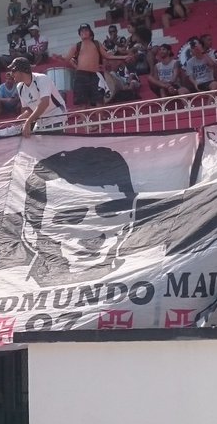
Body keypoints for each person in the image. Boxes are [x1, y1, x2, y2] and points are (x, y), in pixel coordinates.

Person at [20, 147, 137, 286]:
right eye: (71, 217)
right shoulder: (3, 284)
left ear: (130, 217)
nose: (93, 236)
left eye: (109, 211)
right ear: (30, 229)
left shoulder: (156, 269)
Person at [67, 23, 124, 110]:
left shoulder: (97, 44)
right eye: (82, 31)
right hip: (82, 74)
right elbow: (69, 59)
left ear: (91, 34)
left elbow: (107, 57)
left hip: (96, 73)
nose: (85, 33)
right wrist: (76, 67)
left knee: (99, 99)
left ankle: (99, 117)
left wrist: (123, 57)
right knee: (82, 101)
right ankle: (86, 118)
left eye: (86, 31)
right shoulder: (78, 46)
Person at [10, 57, 66, 137]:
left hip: (56, 118)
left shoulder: (41, 79)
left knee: (52, 144)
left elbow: (45, 103)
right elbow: (29, 109)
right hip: (40, 122)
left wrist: (28, 121)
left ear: (21, 71)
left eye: (13, 71)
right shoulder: (20, 87)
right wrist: (19, 120)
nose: (11, 74)